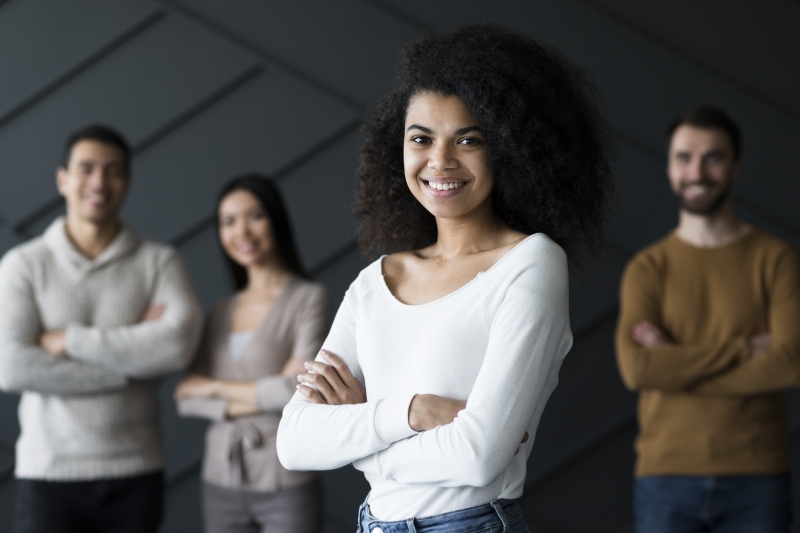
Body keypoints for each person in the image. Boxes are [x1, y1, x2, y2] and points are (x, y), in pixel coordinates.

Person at [277, 24, 612, 533]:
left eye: (468, 139)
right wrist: (412, 413)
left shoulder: (531, 264)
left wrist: (361, 445)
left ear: (509, 149)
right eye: (421, 138)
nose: (440, 161)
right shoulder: (376, 281)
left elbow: (477, 456)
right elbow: (295, 440)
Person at [0, 124, 203, 533]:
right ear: (63, 180)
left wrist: (68, 341)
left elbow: (177, 345)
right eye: (86, 168)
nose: (99, 181)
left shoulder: (159, 262)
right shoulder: (23, 264)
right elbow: (12, 367)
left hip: (136, 473)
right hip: (46, 476)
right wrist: (127, 365)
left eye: (113, 171)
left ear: (127, 182)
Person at [615, 107, 800, 533]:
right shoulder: (648, 268)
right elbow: (638, 368)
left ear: (734, 166)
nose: (696, 172)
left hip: (758, 476)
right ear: (669, 167)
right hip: (665, 478)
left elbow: (790, 361)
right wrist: (745, 349)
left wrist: (677, 367)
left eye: (712, 157)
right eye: (684, 157)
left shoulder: (776, 259)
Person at [175, 175, 328, 533]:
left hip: (284, 476)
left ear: (275, 219)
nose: (241, 231)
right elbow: (184, 398)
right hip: (219, 476)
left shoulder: (307, 298)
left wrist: (214, 388)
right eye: (228, 221)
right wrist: (271, 390)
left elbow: (299, 391)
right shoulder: (218, 311)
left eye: (254, 216)